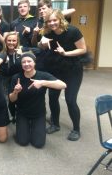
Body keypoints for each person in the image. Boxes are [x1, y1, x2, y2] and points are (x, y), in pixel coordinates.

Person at [38, 9, 86, 141]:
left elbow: (83, 49)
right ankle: (55, 124)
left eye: (55, 20)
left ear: (60, 19)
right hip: (55, 68)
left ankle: (76, 129)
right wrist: (42, 44)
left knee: (70, 100)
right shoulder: (48, 32)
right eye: (49, 21)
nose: (52, 23)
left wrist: (65, 53)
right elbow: (41, 46)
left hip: (73, 70)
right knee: (53, 98)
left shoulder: (72, 31)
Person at [8, 52, 66, 148]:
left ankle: (32, 127)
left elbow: (63, 85)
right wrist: (15, 92)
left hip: (38, 113)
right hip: (22, 113)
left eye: (29, 61)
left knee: (38, 144)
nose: (26, 64)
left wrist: (43, 83)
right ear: (21, 64)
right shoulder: (16, 77)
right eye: (24, 62)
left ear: (34, 63)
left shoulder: (43, 75)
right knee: (23, 142)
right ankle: (25, 127)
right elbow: (12, 99)